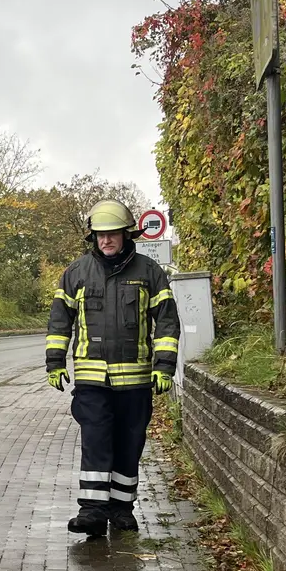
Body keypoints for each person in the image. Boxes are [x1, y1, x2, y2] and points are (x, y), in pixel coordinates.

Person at [45, 200, 181, 537]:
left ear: (125, 234)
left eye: (112, 234)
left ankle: (121, 509)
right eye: (100, 235)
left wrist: (164, 367)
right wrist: (54, 362)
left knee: (129, 443)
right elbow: (60, 322)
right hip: (92, 380)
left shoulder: (149, 273)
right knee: (96, 440)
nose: (106, 241)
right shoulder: (75, 274)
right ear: (93, 237)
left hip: (135, 381)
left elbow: (166, 323)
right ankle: (91, 511)